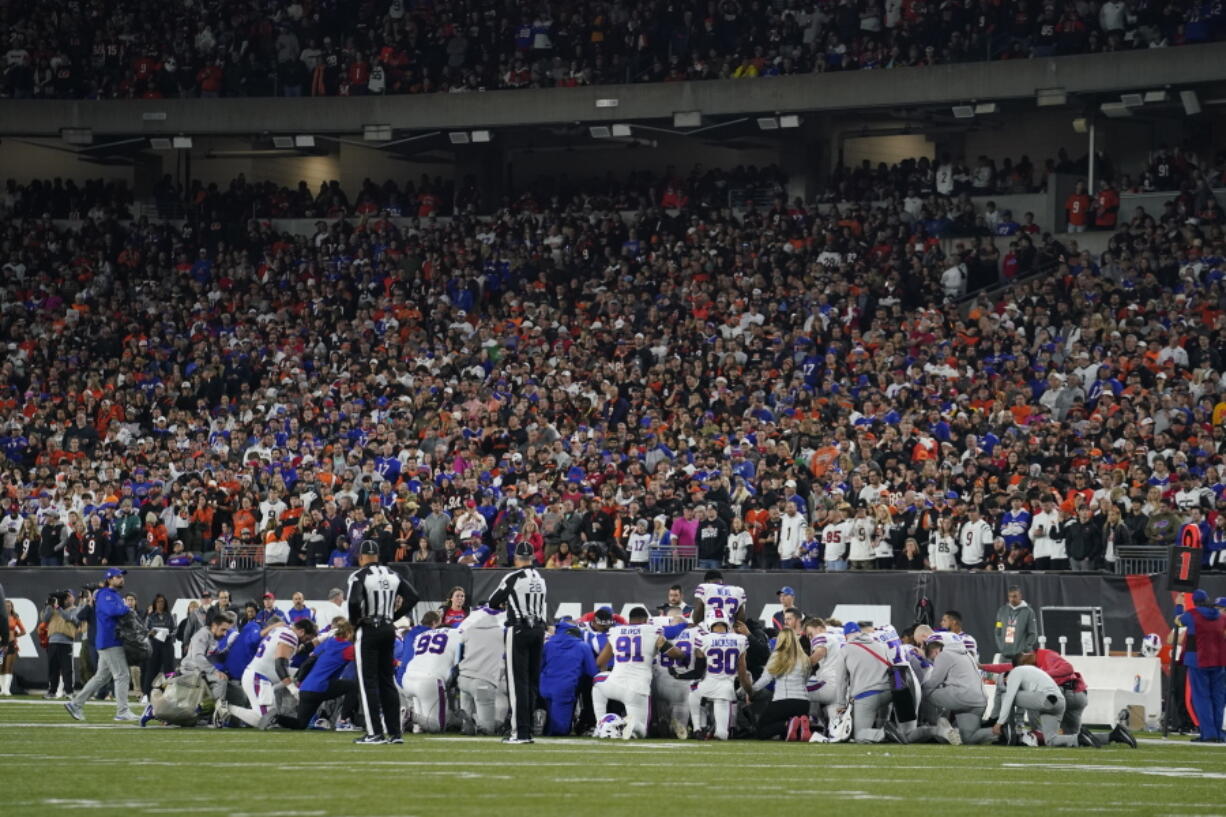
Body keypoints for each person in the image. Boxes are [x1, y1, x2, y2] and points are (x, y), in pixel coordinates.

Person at [347, 538, 417, 744]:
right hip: (388, 629)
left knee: (368, 682)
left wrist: (354, 623)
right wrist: (393, 616)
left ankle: (374, 732)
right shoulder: (393, 574)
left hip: (368, 628)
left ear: (361, 557)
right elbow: (413, 596)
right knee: (387, 682)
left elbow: (352, 601)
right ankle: (395, 733)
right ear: (377, 556)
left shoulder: (359, 575)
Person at [593, 606, 685, 739]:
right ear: (645, 620)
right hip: (637, 689)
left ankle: (600, 724)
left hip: (614, 684)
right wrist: (678, 652)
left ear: (630, 620)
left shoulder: (616, 631)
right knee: (642, 730)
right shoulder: (652, 630)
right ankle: (624, 723)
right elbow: (675, 654)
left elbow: (600, 662)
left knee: (597, 682)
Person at [489, 541, 548, 744]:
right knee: (532, 682)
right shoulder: (540, 578)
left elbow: (492, 601)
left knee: (517, 683)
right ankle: (528, 729)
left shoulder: (513, 577)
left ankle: (519, 732)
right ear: (531, 558)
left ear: (516, 558)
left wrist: (507, 603)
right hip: (539, 629)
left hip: (519, 629)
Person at [64, 568, 138, 722]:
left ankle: (75, 704)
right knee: (122, 675)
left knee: (101, 678)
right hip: (110, 640)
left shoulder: (112, 595)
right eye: (118, 577)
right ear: (109, 579)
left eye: (122, 577)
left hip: (109, 640)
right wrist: (126, 608)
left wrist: (124, 608)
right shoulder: (104, 594)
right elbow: (112, 611)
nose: (122, 579)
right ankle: (122, 711)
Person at [227, 617, 318, 730]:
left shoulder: (282, 630)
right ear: (302, 631)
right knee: (265, 719)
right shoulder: (290, 636)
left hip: (258, 676)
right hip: (258, 678)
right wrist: (292, 689)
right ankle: (226, 709)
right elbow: (280, 665)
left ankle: (276, 695)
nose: (305, 641)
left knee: (298, 674)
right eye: (306, 638)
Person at [275, 618, 358, 730]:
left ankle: (276, 719)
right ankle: (343, 722)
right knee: (352, 686)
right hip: (320, 687)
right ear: (348, 633)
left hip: (305, 688)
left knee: (300, 724)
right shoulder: (347, 648)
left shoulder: (328, 642)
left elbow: (310, 658)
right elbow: (365, 660)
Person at [914, 631, 994, 744]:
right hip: (979, 701)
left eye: (931, 649)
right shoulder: (966, 654)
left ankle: (938, 726)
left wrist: (917, 689)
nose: (932, 654)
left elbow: (933, 683)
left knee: (924, 692)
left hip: (962, 697)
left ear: (940, 646)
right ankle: (1001, 731)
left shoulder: (944, 654)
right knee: (969, 738)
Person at [834, 621, 905, 744]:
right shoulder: (880, 645)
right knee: (882, 717)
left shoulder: (845, 650)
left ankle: (884, 733)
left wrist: (841, 705)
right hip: (889, 692)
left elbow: (841, 681)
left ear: (845, 636)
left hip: (867, 696)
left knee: (860, 736)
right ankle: (887, 727)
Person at [688, 608, 752, 740]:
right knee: (722, 734)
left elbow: (699, 670)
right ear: (727, 623)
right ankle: (719, 731)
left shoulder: (703, 638)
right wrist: (749, 692)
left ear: (710, 622)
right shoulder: (740, 639)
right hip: (726, 688)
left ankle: (697, 728)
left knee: (693, 689)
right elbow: (742, 671)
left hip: (707, 685)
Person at [1176, 589, 1226, 743]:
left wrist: (1179, 605)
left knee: (1201, 698)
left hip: (1198, 660)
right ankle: (1218, 733)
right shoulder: (1220, 616)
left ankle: (1209, 733)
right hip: (1220, 660)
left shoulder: (1192, 615)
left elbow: (1177, 621)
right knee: (1218, 697)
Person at [993, 658, 1078, 747]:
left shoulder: (1015, 672)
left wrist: (999, 723)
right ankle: (1077, 738)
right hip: (1059, 704)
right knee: (1050, 740)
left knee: (1006, 696)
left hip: (1046, 697)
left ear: (1006, 677)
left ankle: (1010, 732)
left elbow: (1009, 698)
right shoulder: (1031, 672)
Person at [400, 615, 460, 733]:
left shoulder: (421, 635)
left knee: (423, 724)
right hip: (429, 680)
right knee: (437, 726)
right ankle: (409, 715)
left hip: (408, 678)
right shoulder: (456, 634)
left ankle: (410, 721)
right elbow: (459, 665)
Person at [457, 603, 510, 735]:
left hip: (464, 678)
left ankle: (468, 722)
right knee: (488, 730)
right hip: (483, 681)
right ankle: (479, 722)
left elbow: (459, 651)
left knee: (469, 723)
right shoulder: (501, 632)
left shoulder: (468, 629)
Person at [751, 629, 813, 740]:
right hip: (803, 704)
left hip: (783, 701)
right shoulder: (805, 657)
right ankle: (798, 728)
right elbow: (806, 680)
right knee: (786, 736)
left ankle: (788, 724)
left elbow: (765, 679)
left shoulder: (777, 655)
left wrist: (751, 691)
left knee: (761, 730)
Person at [41, 590, 77, 698]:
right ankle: (52, 691)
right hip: (52, 641)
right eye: (66, 597)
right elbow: (44, 619)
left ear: (73, 598)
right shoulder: (53, 609)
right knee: (53, 669)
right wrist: (49, 606)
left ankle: (69, 692)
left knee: (67, 669)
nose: (67, 599)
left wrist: (57, 607)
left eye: (69, 596)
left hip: (66, 642)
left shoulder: (75, 609)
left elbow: (67, 617)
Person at [142, 594, 176, 701]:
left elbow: (175, 630)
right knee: (151, 670)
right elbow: (144, 630)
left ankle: (169, 694)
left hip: (167, 644)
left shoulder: (170, 616)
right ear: (154, 603)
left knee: (169, 670)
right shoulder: (150, 617)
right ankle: (146, 694)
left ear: (165, 603)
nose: (160, 604)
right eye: (158, 602)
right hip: (154, 645)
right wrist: (150, 633)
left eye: (162, 602)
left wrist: (167, 633)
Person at [994, 586, 1038, 660]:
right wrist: (1001, 647)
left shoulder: (1028, 612)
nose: (1012, 599)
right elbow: (997, 630)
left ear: (1020, 596)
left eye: (1014, 596)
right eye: (1010, 596)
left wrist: (1024, 649)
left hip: (1022, 657)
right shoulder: (1002, 611)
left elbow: (1033, 634)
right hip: (1005, 656)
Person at [1, 597, 23, 695]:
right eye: (5, 606)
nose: (7, 608)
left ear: (12, 607)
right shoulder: (0, 617)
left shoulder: (15, 618)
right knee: (1, 667)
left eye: (9, 606)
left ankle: (7, 689)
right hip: (1, 645)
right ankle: (2, 689)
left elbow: (23, 630)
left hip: (11, 644)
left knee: (8, 667)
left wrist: (14, 635)